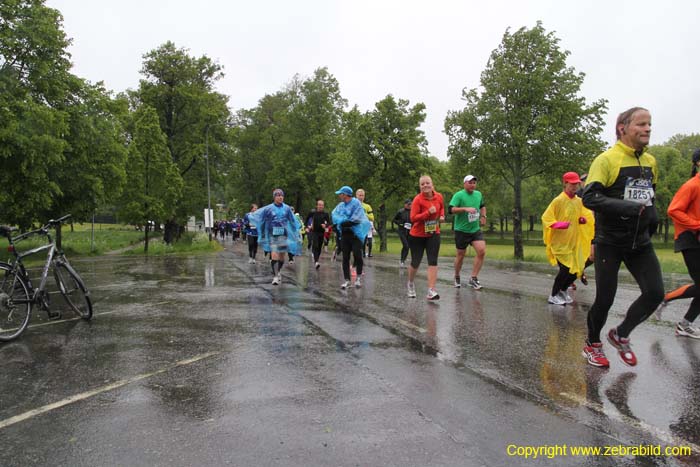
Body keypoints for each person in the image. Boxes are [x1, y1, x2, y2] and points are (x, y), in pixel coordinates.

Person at [581, 106, 664, 368]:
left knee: (655, 293)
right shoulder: (606, 160)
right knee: (605, 298)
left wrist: (652, 220)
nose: (647, 129)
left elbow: (650, 197)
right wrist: (625, 208)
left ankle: (621, 334)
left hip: (639, 242)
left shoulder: (650, 162)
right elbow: (589, 197)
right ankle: (592, 343)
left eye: (649, 124)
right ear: (622, 128)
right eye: (641, 124)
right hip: (611, 241)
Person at [656, 148, 700, 339]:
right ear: (698, 163)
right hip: (689, 239)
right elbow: (673, 210)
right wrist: (697, 225)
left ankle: (684, 324)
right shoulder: (691, 185)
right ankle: (665, 299)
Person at [541, 172, 595, 305]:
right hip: (560, 243)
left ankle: (563, 290)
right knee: (565, 269)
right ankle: (553, 295)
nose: (575, 186)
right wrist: (558, 224)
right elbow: (546, 217)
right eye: (572, 184)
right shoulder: (558, 200)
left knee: (575, 270)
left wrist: (583, 220)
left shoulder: (579, 201)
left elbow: (587, 216)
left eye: (576, 184)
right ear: (565, 183)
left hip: (574, 242)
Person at [249, 189, 302, 285]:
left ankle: (278, 271)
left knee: (281, 257)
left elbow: (292, 221)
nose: (280, 197)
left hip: (283, 234)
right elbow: (260, 218)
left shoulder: (287, 208)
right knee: (274, 254)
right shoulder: (268, 208)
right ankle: (275, 276)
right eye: (278, 195)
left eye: (282, 195)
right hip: (272, 235)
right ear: (274, 197)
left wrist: (296, 232)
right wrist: (252, 217)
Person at [407, 175, 445, 300]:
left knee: (433, 261)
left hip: (433, 232)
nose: (425, 185)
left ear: (432, 184)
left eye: (427, 183)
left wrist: (442, 216)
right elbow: (413, 218)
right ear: (420, 187)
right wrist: (428, 213)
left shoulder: (439, 196)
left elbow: (442, 208)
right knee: (416, 262)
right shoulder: (418, 200)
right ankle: (411, 283)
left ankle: (431, 290)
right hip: (417, 235)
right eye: (422, 184)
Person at [448, 175, 487, 289]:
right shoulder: (459, 195)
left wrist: (483, 216)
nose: (472, 185)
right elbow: (450, 210)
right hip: (461, 230)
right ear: (464, 183)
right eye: (470, 182)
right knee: (461, 255)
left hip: (475, 229)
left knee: (481, 251)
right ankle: (456, 276)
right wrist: (465, 209)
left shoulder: (478, 194)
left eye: (474, 183)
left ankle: (473, 278)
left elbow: (482, 206)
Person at [332, 186, 370, 288]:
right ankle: (347, 280)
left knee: (358, 255)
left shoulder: (356, 203)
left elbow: (356, 219)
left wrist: (344, 221)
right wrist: (337, 224)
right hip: (344, 234)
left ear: (345, 194)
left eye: (341, 194)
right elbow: (334, 215)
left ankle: (358, 278)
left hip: (356, 235)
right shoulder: (340, 205)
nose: (339, 196)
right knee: (345, 257)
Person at [307, 199, 331, 269]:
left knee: (319, 247)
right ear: (317, 205)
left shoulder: (325, 214)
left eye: (322, 205)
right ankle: (316, 261)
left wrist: (325, 226)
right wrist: (307, 226)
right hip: (314, 232)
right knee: (315, 245)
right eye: (319, 205)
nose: (321, 206)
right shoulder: (313, 212)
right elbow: (307, 219)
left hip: (321, 232)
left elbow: (329, 223)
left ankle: (316, 259)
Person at [392, 199, 412, 267]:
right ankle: (402, 261)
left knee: (407, 247)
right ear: (405, 204)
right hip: (402, 231)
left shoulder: (413, 212)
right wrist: (400, 223)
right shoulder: (400, 211)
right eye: (408, 204)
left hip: (410, 231)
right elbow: (394, 220)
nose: (410, 206)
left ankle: (403, 260)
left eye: (410, 204)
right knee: (406, 245)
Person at [356, 189, 375, 257]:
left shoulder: (367, 206)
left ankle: (365, 253)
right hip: (356, 226)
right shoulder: (353, 205)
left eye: (362, 195)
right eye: (360, 195)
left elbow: (372, 217)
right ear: (356, 196)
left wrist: (364, 214)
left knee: (367, 241)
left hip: (365, 226)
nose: (361, 197)